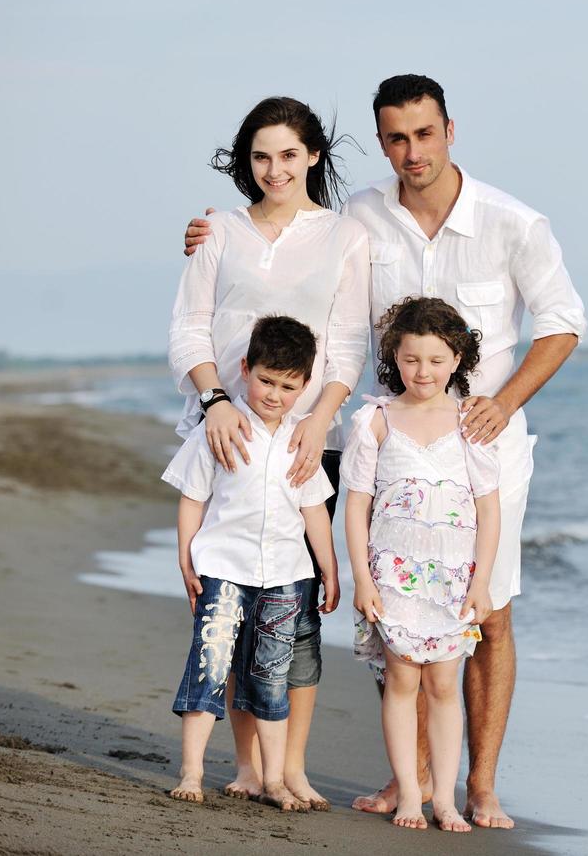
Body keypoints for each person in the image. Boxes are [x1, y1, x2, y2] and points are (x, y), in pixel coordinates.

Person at [185, 74, 587, 828]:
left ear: (450, 130)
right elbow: (292, 243)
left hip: (481, 445)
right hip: (384, 443)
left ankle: (481, 787)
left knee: (488, 612)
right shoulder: (361, 216)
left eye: (425, 134)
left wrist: (501, 404)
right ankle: (414, 781)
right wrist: (213, 235)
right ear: (381, 141)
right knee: (392, 611)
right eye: (397, 138)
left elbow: (563, 322)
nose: (412, 152)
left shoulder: (513, 222)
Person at [169, 95, 369, 810]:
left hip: (310, 437)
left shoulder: (345, 236)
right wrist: (215, 402)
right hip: (224, 429)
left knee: (293, 610)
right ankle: (249, 766)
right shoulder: (218, 231)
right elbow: (190, 329)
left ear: (313, 154)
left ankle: (293, 769)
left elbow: (347, 342)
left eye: (288, 154)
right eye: (260, 156)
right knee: (231, 598)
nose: (274, 169)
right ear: (245, 162)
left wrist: (321, 419)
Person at [163, 315, 341, 811]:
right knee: (211, 664)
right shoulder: (218, 431)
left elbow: (313, 513)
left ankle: (277, 779)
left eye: (288, 386)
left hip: (286, 575)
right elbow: (193, 498)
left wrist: (328, 568)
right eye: (265, 380)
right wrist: (185, 554)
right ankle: (192, 770)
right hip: (222, 567)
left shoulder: (300, 441)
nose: (274, 394)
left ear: (305, 386)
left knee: (271, 674)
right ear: (244, 369)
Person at [340, 297, 500, 832]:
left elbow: (488, 507)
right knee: (401, 684)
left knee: (445, 688)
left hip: (454, 582)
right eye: (411, 360)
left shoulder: (469, 422)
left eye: (435, 360)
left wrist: (482, 583)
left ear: (456, 359)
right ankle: (410, 792)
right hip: (392, 576)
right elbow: (357, 502)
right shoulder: (375, 420)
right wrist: (362, 578)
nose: (423, 372)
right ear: (394, 357)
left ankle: (447, 801)